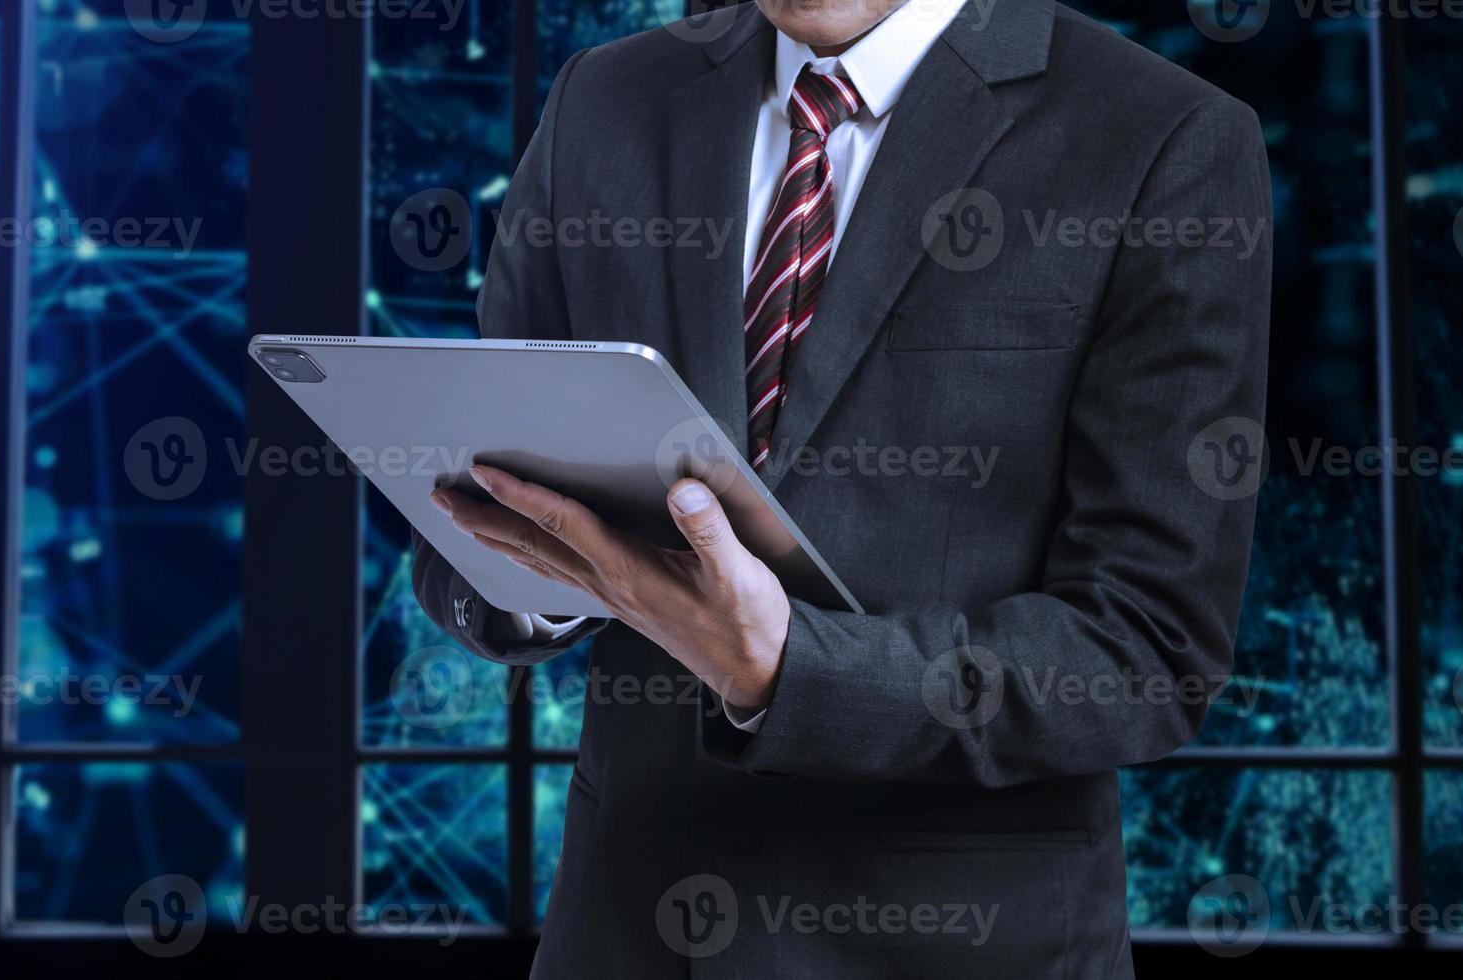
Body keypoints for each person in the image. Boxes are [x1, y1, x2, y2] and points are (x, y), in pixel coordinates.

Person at [413, 0, 1272, 974]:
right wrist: (553, 574)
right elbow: (463, 532)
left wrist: (784, 671)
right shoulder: (602, 101)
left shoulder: (1163, 139)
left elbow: (1149, 647)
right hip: (625, 935)